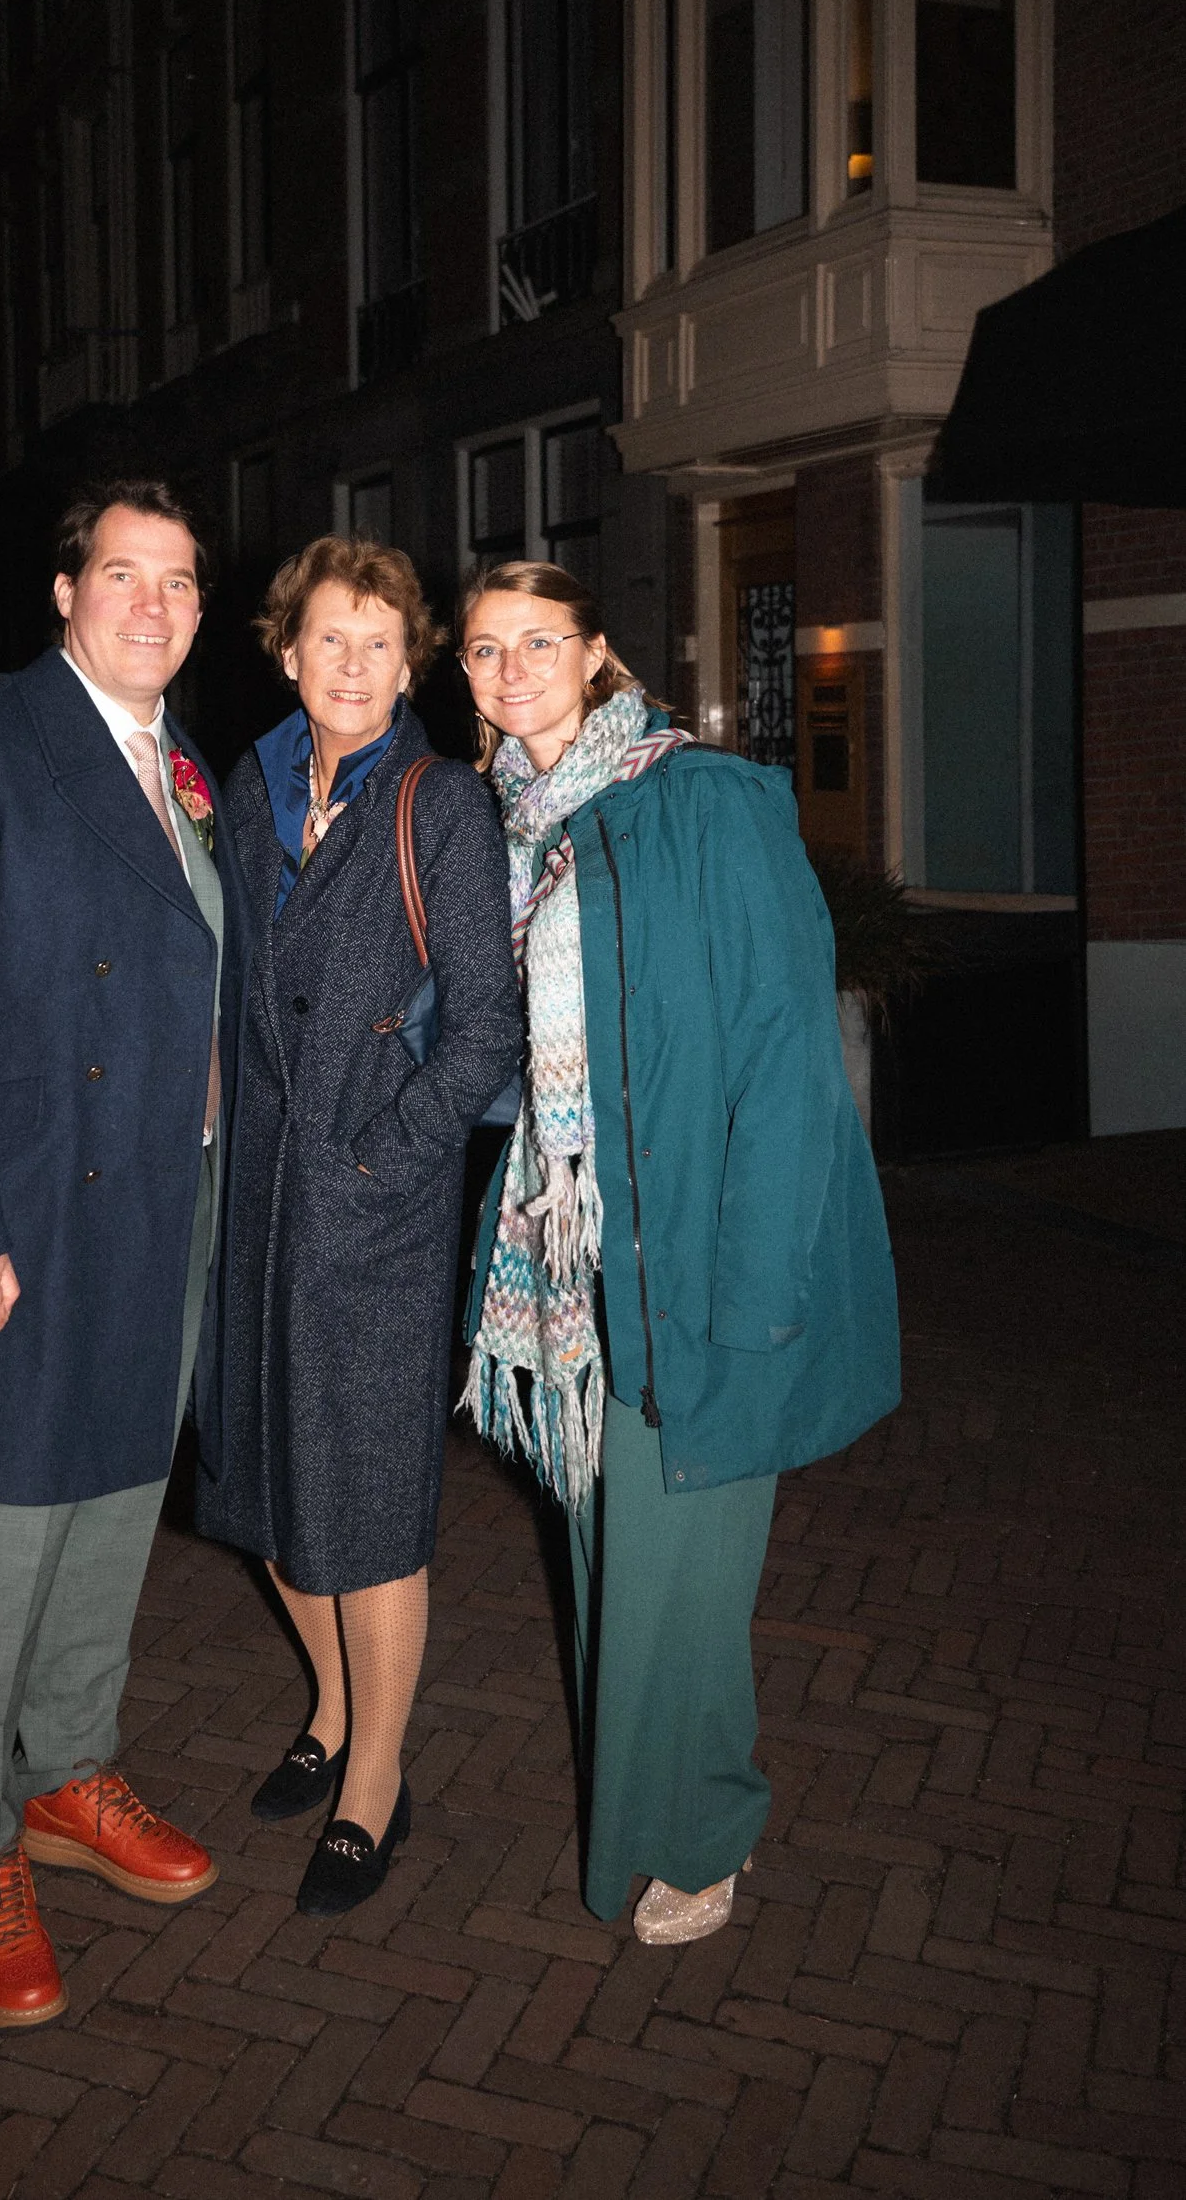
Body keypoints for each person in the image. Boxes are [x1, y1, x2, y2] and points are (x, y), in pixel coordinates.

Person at [458, 559, 899, 1944]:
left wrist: (758, 1290)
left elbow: (786, 1054)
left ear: (597, 653)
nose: (511, 668)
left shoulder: (700, 801)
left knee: (685, 1568)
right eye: (483, 649)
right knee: (613, 1554)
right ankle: (654, 1806)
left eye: (539, 640)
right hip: (576, 1251)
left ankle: (703, 1831)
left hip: (695, 1250)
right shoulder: (511, 825)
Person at [0, 478, 240, 2030]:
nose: (153, 604)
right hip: (24, 1210)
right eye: (123, 574)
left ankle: (66, 1767)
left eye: (180, 581)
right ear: (66, 593)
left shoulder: (184, 762)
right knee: (6, 1522)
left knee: (118, 1495)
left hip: (164, 1200)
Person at [196, 537, 523, 1916]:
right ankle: (330, 1709)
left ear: (409, 665)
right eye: (329, 637)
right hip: (254, 1200)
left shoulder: (438, 805)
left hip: (375, 1211)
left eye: (378, 644)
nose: (351, 663)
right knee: (269, 1487)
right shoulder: (242, 789)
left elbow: (487, 1030)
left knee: (370, 1506)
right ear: (288, 652)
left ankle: (375, 1780)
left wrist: (378, 1158)